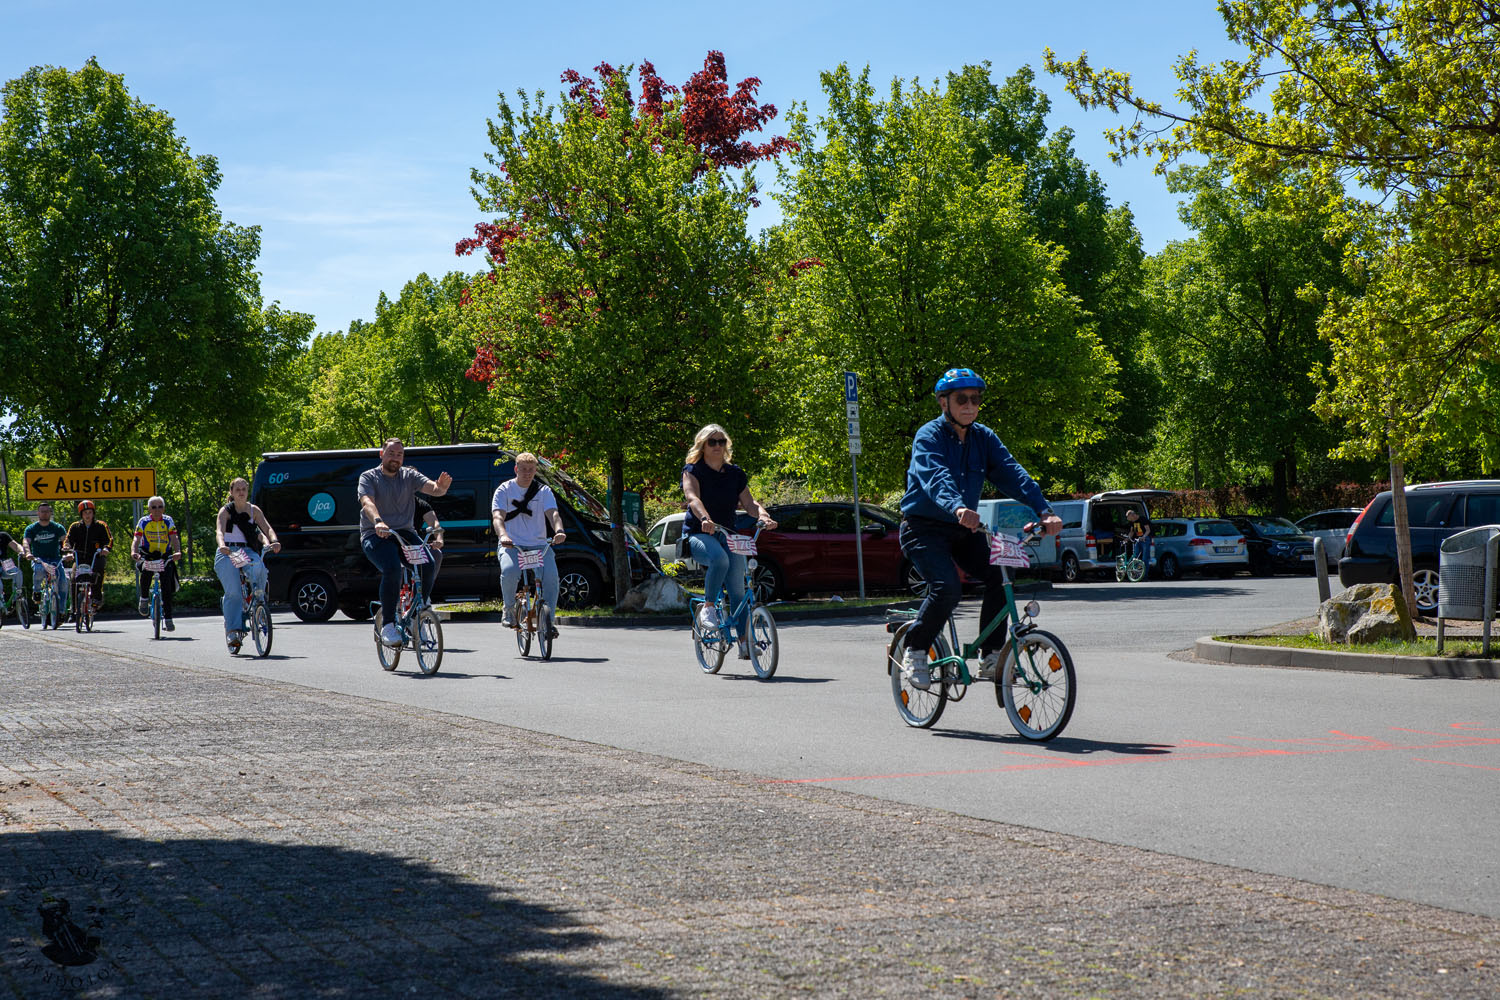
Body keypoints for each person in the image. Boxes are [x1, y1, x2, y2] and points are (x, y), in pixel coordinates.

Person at [898, 368, 1062, 690]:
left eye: (975, 399)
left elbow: (1013, 473)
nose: (970, 405)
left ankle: (990, 656)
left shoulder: (983, 438)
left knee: (1001, 573)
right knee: (947, 589)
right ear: (943, 402)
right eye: (962, 399)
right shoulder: (928, 436)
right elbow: (935, 477)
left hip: (963, 530)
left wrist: (1044, 510)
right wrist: (958, 506)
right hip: (923, 528)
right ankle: (915, 649)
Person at [681, 424, 778, 659]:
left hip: (729, 534)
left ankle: (745, 644)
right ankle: (709, 608)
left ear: (726, 445)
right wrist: (705, 518)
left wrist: (763, 515)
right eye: (712, 442)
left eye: (721, 441)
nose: (717, 446)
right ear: (702, 445)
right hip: (700, 533)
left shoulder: (735, 474)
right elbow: (692, 498)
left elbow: (749, 503)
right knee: (719, 559)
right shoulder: (693, 470)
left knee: (738, 591)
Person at [358, 438, 452, 646]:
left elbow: (433, 488)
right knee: (393, 568)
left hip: (404, 533)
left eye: (399, 454)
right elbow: (367, 502)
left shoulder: (409, 476)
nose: (395, 458)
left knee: (429, 562)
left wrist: (441, 488)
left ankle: (417, 611)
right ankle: (389, 625)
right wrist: (378, 522)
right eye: (391, 453)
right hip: (376, 534)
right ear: (382, 455)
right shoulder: (369, 477)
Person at [491, 452, 566, 633]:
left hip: (539, 545)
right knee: (510, 571)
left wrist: (559, 530)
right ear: (516, 469)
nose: (527, 473)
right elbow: (498, 517)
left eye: (531, 470)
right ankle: (508, 610)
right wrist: (503, 536)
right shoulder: (504, 489)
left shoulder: (544, 491)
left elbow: (553, 514)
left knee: (551, 579)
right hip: (512, 545)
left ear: (535, 471)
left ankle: (549, 621)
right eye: (523, 470)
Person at [213, 478, 282, 653]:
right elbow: (219, 531)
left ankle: (259, 603)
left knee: (259, 567)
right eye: (238, 489)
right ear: (231, 492)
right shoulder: (226, 511)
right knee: (234, 592)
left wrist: (273, 541)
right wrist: (222, 545)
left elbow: (267, 528)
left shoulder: (254, 510)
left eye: (244, 489)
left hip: (247, 551)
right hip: (229, 551)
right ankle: (233, 632)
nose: (241, 492)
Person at [131, 495, 183, 630]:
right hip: (147, 553)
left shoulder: (168, 520)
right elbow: (136, 540)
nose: (157, 510)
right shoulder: (143, 521)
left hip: (164, 555)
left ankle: (169, 618)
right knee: (146, 572)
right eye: (154, 507)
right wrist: (134, 552)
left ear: (164, 508)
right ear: (149, 509)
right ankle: (143, 599)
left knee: (167, 587)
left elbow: (174, 537)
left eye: (160, 507)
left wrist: (177, 551)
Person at [64, 500, 114, 616]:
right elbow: (68, 540)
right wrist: (67, 548)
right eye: (85, 512)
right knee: (74, 578)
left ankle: (97, 597)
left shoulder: (101, 526)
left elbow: (109, 540)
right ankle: (75, 609)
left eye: (90, 512)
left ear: (93, 513)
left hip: (96, 556)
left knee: (97, 571)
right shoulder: (75, 526)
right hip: (80, 557)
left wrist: (106, 549)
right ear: (81, 514)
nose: (87, 515)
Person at [23, 501, 71, 617]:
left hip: (55, 559)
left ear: (50, 513)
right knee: (39, 570)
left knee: (63, 582)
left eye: (47, 511)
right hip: (40, 559)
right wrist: (28, 553)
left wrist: (68, 552)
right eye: (42, 511)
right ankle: (37, 591)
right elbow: (26, 542)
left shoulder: (57, 527)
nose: (45, 514)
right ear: (38, 513)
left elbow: (66, 541)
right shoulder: (32, 529)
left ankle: (61, 611)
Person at [0, 526, 26, 621]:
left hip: (5, 564)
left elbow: (16, 545)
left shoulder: (3, 535)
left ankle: (17, 599)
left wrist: (22, 551)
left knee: (18, 573)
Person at [1123, 507, 1152, 574]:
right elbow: (1132, 532)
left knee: (1145, 558)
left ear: (1133, 515)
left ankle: (1144, 576)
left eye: (1130, 519)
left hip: (1145, 539)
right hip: (1138, 540)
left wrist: (1143, 536)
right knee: (1135, 556)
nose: (1131, 521)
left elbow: (1148, 530)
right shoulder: (1132, 522)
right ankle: (1134, 573)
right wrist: (1127, 538)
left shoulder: (1143, 519)